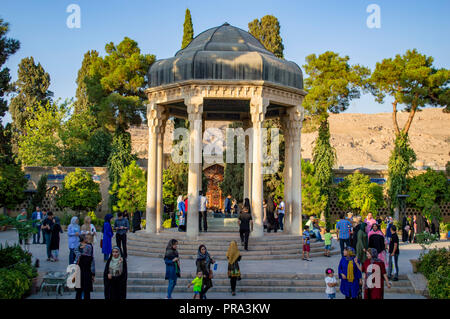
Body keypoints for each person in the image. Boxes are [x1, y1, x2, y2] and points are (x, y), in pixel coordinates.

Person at [74, 234, 95, 300]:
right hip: (85, 274)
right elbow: (92, 266)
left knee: (81, 292)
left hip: (83, 274)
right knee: (84, 292)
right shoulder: (87, 255)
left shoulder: (81, 255)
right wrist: (93, 274)